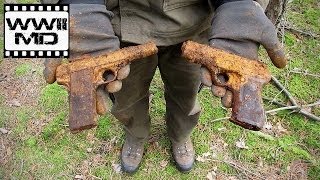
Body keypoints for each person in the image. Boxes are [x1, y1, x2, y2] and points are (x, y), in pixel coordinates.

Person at [42, 0, 286, 173]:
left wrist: (238, 2)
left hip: (195, 23)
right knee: (128, 98)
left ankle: (180, 136)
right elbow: (24, 31)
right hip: (115, 26)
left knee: (186, 95)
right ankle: (136, 136)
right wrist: (76, 5)